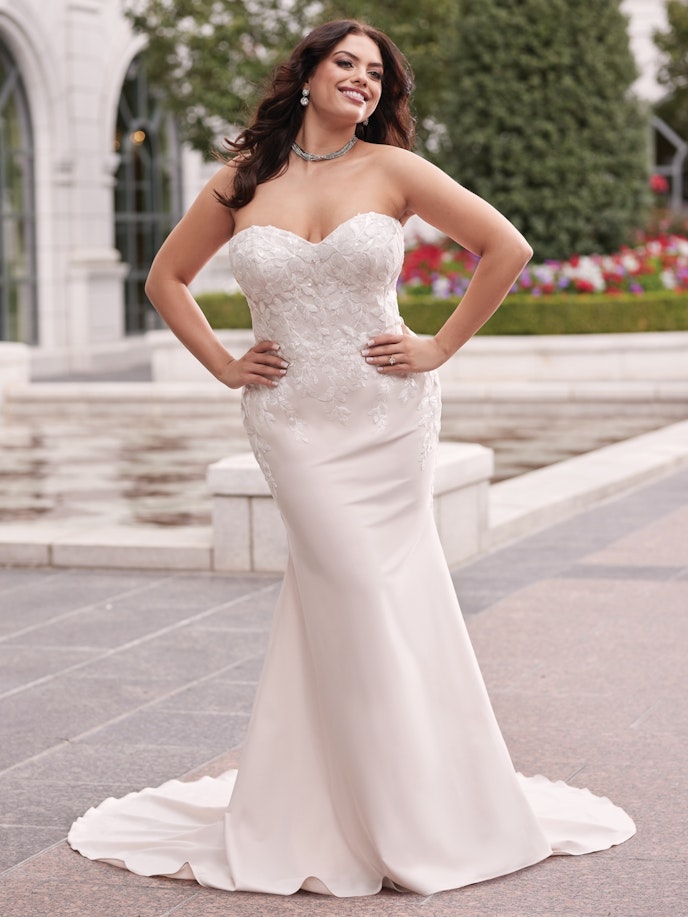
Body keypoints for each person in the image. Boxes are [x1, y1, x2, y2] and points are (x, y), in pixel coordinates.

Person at [68, 19, 635, 897]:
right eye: (347, 63)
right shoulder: (244, 180)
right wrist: (225, 362)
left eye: (376, 72)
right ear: (308, 73)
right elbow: (164, 279)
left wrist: (439, 345)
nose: (363, 81)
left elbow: (506, 247)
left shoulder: (394, 169)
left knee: (381, 592)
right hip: (293, 422)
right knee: (350, 592)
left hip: (386, 414)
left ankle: (414, 802)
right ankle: (348, 804)